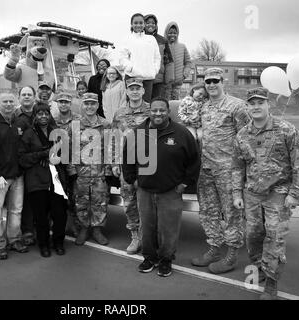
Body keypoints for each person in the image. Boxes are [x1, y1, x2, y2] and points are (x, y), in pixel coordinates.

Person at [232, 87, 299, 299]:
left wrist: (295, 193)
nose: (256, 107)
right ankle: (260, 265)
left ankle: (272, 281)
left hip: (279, 193)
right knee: (252, 235)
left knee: (274, 237)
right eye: (251, 103)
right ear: (247, 107)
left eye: (260, 103)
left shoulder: (286, 130)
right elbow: (238, 166)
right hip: (252, 194)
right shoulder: (242, 135)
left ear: (268, 105)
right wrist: (237, 194)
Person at [122, 97, 200, 277]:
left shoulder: (182, 133)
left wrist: (184, 184)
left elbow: (194, 162)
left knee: (168, 229)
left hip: (171, 191)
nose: (158, 113)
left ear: (168, 111)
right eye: (154, 110)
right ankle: (149, 257)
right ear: (149, 111)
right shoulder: (137, 133)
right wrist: (132, 180)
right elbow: (127, 160)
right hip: (145, 190)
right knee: (147, 227)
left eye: (162, 110)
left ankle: (166, 259)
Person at [191, 68, 250, 274]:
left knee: (232, 214)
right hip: (206, 168)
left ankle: (232, 255)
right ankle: (215, 248)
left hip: (228, 170)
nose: (211, 85)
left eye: (215, 80)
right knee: (208, 211)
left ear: (222, 81)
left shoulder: (237, 106)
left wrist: (243, 170)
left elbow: (247, 138)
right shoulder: (204, 106)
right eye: (208, 82)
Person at [18, 102, 69, 257]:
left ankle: (58, 242)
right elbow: (22, 158)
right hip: (37, 180)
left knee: (59, 213)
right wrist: (41, 154)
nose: (43, 116)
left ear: (49, 115)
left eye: (46, 113)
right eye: (39, 113)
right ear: (35, 115)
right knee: (41, 216)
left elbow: (65, 155)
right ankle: (44, 244)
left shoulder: (57, 132)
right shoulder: (29, 134)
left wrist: (53, 157)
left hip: (56, 179)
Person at [0, 92, 28, 260]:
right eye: (5, 102)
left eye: (11, 101)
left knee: (16, 210)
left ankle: (14, 239)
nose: (8, 104)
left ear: (15, 103)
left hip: (17, 176)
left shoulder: (20, 122)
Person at [66, 92, 112, 246]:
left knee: (100, 202)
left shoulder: (105, 124)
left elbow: (110, 149)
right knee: (81, 202)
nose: (90, 106)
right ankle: (84, 228)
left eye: (93, 103)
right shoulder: (74, 125)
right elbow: (68, 149)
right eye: (87, 103)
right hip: (81, 173)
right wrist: (71, 170)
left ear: (98, 105)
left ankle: (97, 230)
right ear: (82, 105)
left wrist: (108, 170)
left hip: (99, 173)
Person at [111, 78, 150, 255]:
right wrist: (114, 162)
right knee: (129, 201)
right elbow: (113, 138)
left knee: (148, 201)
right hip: (126, 164)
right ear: (126, 92)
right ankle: (135, 236)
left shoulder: (152, 110)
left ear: (142, 91)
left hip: (149, 163)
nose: (134, 91)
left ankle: (147, 236)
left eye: (137, 88)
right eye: (131, 88)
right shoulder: (119, 113)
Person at [53, 92, 81, 237]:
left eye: (66, 102)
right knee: (60, 196)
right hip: (59, 165)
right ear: (57, 103)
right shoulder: (53, 120)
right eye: (61, 102)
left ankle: (75, 226)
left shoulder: (78, 119)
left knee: (75, 196)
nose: (63, 104)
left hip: (75, 164)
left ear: (70, 104)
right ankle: (62, 225)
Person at [13, 85, 38, 246]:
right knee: (23, 200)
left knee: (38, 196)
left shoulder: (41, 112)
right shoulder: (14, 115)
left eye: (29, 94)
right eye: (24, 94)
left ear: (34, 97)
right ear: (19, 97)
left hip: (38, 164)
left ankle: (40, 227)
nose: (27, 97)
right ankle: (27, 230)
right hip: (20, 164)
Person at [120, 13, 161, 103]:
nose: (138, 25)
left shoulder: (151, 39)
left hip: (147, 78)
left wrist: (154, 70)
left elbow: (157, 57)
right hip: (132, 77)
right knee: (132, 105)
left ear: (144, 24)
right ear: (131, 24)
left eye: (141, 23)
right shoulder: (127, 39)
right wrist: (131, 68)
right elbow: (123, 58)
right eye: (135, 23)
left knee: (146, 106)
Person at [144, 14, 175, 99]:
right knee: (145, 104)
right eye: (148, 22)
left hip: (158, 79)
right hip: (144, 78)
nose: (151, 25)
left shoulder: (162, 40)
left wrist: (168, 79)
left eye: (153, 23)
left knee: (157, 102)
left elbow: (168, 60)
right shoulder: (139, 39)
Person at [164, 21, 193, 100]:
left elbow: (188, 62)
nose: (172, 35)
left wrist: (184, 74)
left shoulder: (182, 46)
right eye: (170, 33)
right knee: (165, 103)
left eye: (175, 33)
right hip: (165, 84)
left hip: (177, 83)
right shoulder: (163, 46)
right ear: (166, 33)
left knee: (176, 105)